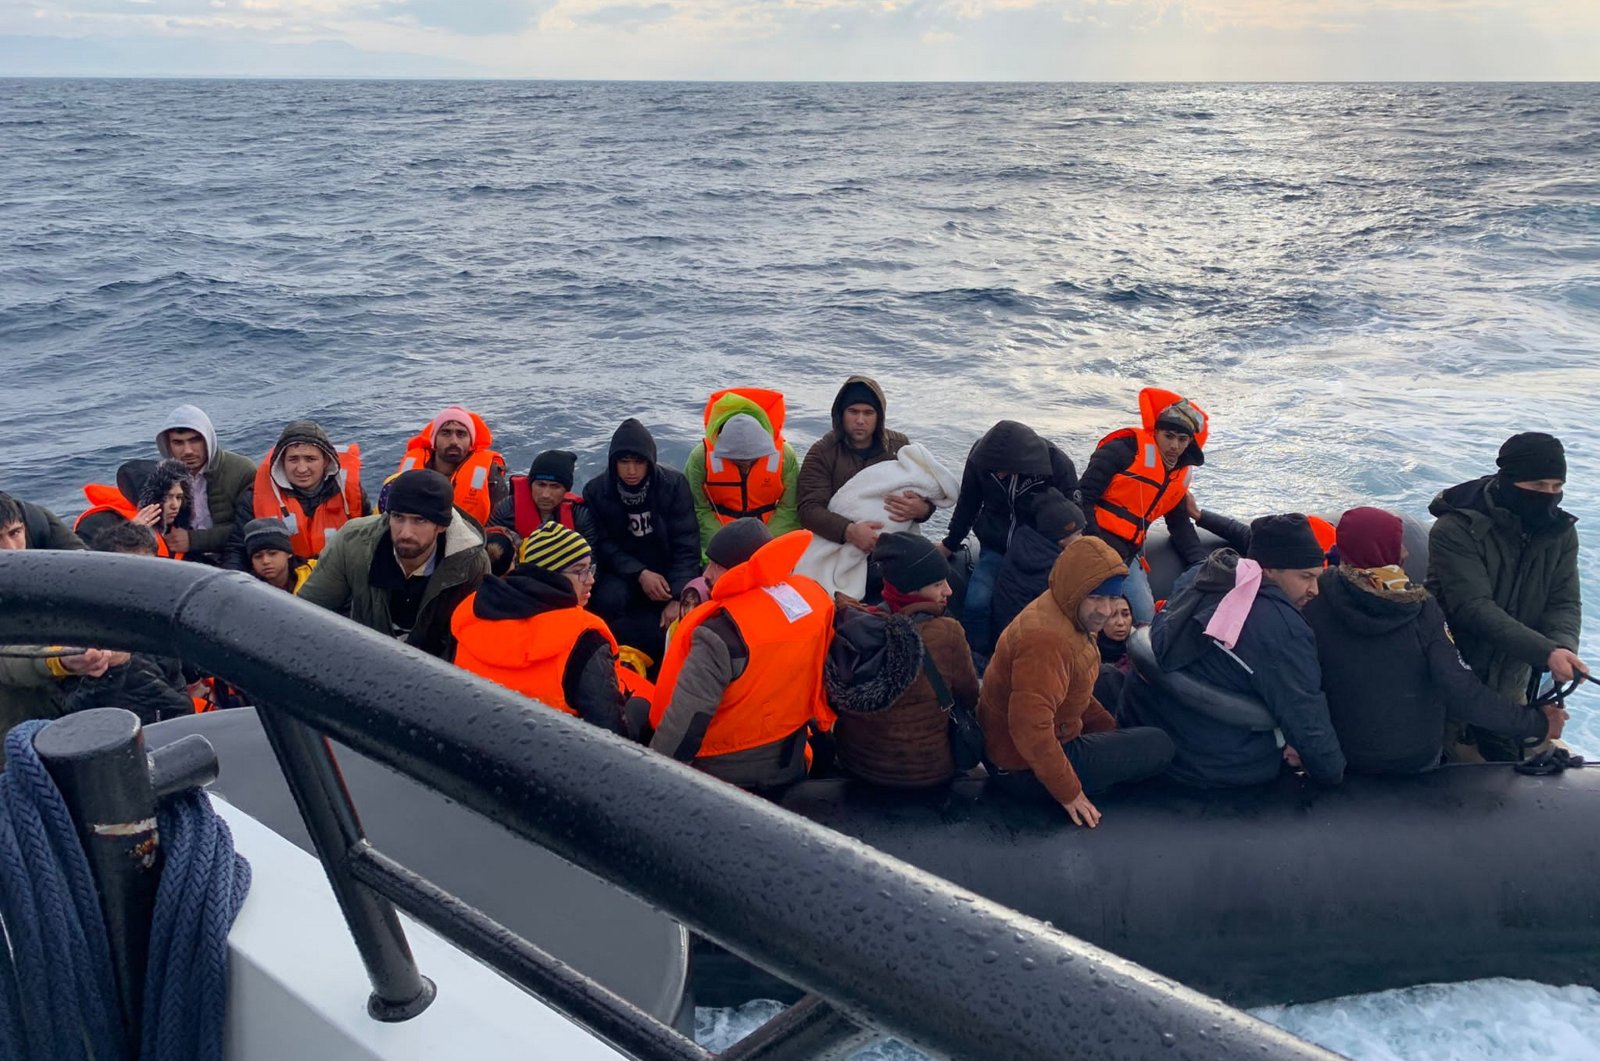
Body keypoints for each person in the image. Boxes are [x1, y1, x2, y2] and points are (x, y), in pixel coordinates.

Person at [1303, 507, 1561, 775]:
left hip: (1342, 753)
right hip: (1411, 758)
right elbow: (1462, 692)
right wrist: (1536, 724)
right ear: (1387, 550)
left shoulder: (1315, 602)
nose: (1406, 551)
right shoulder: (1419, 610)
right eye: (1397, 543)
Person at [1125, 514, 1345, 788]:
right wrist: (1330, 774)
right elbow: (1305, 713)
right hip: (1210, 761)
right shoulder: (1282, 628)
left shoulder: (1202, 575)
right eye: (1306, 577)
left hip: (1144, 718)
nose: (1314, 590)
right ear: (1270, 570)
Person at [980, 537, 1173, 827]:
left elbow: (1073, 689)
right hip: (1020, 769)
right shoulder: (1047, 640)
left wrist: (1112, 734)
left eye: (1112, 598)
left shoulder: (1067, 610)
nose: (1106, 611)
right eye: (1096, 598)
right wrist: (1069, 793)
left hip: (1038, 737)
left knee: (1109, 678)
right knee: (1160, 745)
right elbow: (1029, 728)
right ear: (1076, 591)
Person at [1427, 432, 1587, 762]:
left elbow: (1564, 601)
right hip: (1453, 683)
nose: (1549, 495)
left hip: (1513, 683)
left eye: (1557, 486)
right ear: (1509, 480)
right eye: (1539, 486)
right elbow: (1473, 607)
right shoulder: (1454, 530)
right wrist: (1545, 651)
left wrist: (1562, 647)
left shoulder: (1560, 533)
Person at [649, 520, 835, 794]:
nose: (707, 574)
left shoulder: (718, 633)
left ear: (743, 568)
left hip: (725, 777)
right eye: (708, 563)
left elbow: (686, 720)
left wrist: (653, 777)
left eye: (717, 565)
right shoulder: (816, 603)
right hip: (792, 761)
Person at [453, 522, 644, 735]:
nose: (590, 580)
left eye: (590, 569)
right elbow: (609, 729)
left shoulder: (474, 609)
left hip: (469, 731)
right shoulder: (584, 638)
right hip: (545, 752)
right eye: (580, 571)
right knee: (642, 708)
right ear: (551, 574)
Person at [829, 533, 981, 789]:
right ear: (910, 589)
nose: (949, 590)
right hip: (927, 772)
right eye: (937, 584)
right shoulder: (947, 633)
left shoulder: (850, 626)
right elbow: (969, 696)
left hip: (857, 764)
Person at [298, 469, 488, 660]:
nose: (405, 532)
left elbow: (470, 644)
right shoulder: (352, 541)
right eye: (398, 517)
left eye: (419, 520)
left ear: (441, 525)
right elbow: (307, 613)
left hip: (434, 672)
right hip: (364, 660)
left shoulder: (471, 563)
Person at [0, 493, 132, 754]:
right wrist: (59, 659)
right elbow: (7, 662)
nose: (11, 549)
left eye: (15, 533)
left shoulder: (39, 575)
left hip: (55, 721)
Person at [938, 421, 1080, 654]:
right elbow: (968, 504)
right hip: (994, 546)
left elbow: (1073, 515)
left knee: (1028, 613)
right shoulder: (979, 457)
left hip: (1039, 553)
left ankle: (1015, 659)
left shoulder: (1057, 464)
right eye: (992, 469)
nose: (997, 473)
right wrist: (950, 544)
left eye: (1001, 468)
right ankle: (978, 660)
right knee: (976, 603)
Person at [1079, 388, 1209, 625]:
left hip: (1129, 555)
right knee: (1085, 617)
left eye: (1182, 440)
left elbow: (1179, 525)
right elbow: (1082, 498)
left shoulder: (1177, 477)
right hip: (1092, 546)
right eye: (1168, 436)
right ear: (1156, 431)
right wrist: (1094, 545)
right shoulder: (1123, 449)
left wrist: (1202, 562)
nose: (1174, 446)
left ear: (1190, 442)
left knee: (1146, 618)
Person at [582, 418, 701, 666]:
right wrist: (640, 572)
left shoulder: (673, 485)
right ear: (613, 463)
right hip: (625, 571)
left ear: (650, 461)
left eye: (638, 462)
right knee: (606, 600)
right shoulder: (596, 491)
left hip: (668, 570)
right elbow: (603, 545)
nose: (632, 471)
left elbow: (687, 545)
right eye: (624, 462)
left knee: (680, 616)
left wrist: (678, 596)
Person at [797, 376, 935, 556]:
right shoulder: (822, 452)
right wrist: (849, 531)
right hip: (839, 544)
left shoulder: (899, 446)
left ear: (879, 416)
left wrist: (923, 510)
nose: (860, 420)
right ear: (841, 414)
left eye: (868, 413)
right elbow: (808, 509)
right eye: (853, 412)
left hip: (894, 541)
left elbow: (927, 490)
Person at [227, 420, 366, 570]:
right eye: (293, 459)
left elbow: (369, 541)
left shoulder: (349, 494)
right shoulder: (252, 500)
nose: (301, 469)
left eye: (310, 459)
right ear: (281, 462)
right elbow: (238, 550)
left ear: (326, 460)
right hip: (281, 585)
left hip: (340, 578)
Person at [685, 389, 802, 558]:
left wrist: (765, 544)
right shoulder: (700, 457)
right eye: (737, 460)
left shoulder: (786, 455)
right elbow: (698, 509)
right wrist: (723, 546)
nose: (746, 464)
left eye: (753, 458)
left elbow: (789, 508)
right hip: (718, 540)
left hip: (770, 539)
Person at [987, 488, 1086, 654]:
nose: (1082, 538)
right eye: (1077, 534)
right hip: (1024, 639)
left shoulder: (1027, 545)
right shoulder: (1050, 565)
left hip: (1007, 630)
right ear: (1059, 537)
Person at [156, 404, 256, 563]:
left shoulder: (241, 470)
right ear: (168, 445)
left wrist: (194, 540)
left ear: (208, 439)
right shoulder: (163, 478)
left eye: (195, 440)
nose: (188, 450)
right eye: (178, 443)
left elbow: (250, 527)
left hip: (235, 557)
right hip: (184, 559)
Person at [398, 405, 507, 529]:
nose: (454, 441)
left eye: (461, 434)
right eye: (446, 433)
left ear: (471, 442)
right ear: (434, 440)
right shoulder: (411, 467)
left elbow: (501, 523)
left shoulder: (491, 474)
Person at [491, 448, 598, 546]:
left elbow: (590, 559)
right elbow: (489, 550)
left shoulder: (580, 516)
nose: (545, 494)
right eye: (541, 485)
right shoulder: (506, 509)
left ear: (566, 490)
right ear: (530, 485)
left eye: (555, 486)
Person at [133, 458, 193, 558]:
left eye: (179, 497)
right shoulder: (118, 527)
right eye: (167, 497)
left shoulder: (188, 530)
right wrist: (131, 537)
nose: (175, 505)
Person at [240, 517, 316, 593]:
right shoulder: (247, 589)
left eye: (272, 553)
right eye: (258, 556)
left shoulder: (315, 571)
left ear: (289, 553)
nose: (265, 561)